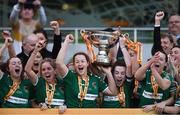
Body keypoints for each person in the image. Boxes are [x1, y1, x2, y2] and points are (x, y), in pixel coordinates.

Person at [56, 34, 117, 108]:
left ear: (87, 63)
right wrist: (66, 41)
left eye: (82, 61)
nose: (80, 64)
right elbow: (59, 63)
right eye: (77, 62)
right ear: (74, 65)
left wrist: (108, 73)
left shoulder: (96, 79)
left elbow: (113, 92)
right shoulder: (70, 77)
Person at [25, 41, 66, 113]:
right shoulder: (39, 82)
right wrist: (35, 51)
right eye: (43, 70)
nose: (46, 71)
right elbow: (27, 70)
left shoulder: (62, 83)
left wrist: (65, 106)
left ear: (55, 71)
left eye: (49, 69)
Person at [102, 36, 133, 108]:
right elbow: (113, 57)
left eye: (122, 73)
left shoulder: (127, 85)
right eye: (116, 73)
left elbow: (128, 65)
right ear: (112, 74)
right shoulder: (106, 82)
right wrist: (113, 41)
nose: (119, 76)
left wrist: (122, 47)